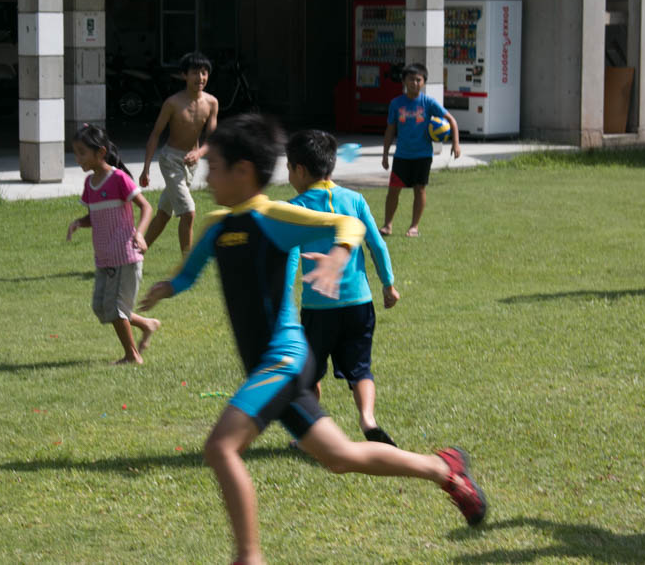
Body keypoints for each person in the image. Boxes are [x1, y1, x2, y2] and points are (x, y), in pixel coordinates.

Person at [139, 114, 487, 565]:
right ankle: (445, 469)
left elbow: (350, 227)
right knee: (339, 456)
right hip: (273, 368)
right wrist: (169, 287)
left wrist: (339, 257)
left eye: (216, 167)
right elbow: (189, 273)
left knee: (220, 447)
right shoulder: (217, 225)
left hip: (281, 361)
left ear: (244, 171)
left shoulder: (273, 218)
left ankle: (249, 557)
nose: (207, 178)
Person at [286, 129, 401, 447]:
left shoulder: (295, 207)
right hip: (359, 303)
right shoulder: (355, 199)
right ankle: (368, 420)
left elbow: (291, 255)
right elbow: (376, 244)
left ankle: (311, 434)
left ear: (299, 169)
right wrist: (388, 285)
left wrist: (283, 297)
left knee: (308, 373)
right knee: (360, 369)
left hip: (319, 308)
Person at [68, 125, 160, 365]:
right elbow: (95, 216)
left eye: (81, 153)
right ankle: (147, 324)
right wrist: (79, 222)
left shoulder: (119, 178)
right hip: (104, 257)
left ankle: (132, 356)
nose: (77, 159)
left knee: (116, 309)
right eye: (75, 153)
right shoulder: (90, 184)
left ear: (100, 152)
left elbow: (146, 207)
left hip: (126, 255)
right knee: (101, 307)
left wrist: (140, 234)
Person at [139, 51, 219, 254]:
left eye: (204, 73)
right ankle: (187, 264)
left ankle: (137, 251)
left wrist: (199, 153)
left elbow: (212, 139)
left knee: (164, 214)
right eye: (194, 73)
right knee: (189, 212)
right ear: (184, 75)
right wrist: (146, 168)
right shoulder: (172, 103)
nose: (200, 78)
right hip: (170, 160)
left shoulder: (211, 103)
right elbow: (155, 135)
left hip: (191, 164)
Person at [381, 63, 461, 238]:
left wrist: (456, 143)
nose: (414, 83)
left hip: (422, 155)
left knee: (420, 190)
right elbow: (390, 130)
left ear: (424, 82)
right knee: (393, 190)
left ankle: (414, 226)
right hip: (402, 155)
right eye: (411, 79)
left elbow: (451, 120)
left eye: (418, 80)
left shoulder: (428, 103)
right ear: (404, 81)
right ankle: (387, 225)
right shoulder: (396, 104)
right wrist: (385, 154)